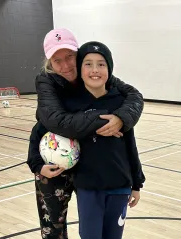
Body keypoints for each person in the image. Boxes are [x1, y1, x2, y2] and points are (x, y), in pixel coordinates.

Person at [27, 28, 144, 239]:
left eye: (70, 57)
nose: (65, 65)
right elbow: (44, 125)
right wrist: (37, 164)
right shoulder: (48, 83)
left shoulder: (95, 75)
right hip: (56, 165)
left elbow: (134, 96)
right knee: (53, 228)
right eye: (57, 60)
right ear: (50, 64)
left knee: (96, 227)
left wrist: (122, 118)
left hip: (89, 172)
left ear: (78, 55)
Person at [71, 41, 145, 239]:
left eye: (101, 64)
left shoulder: (121, 104)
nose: (95, 70)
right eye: (88, 63)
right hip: (88, 189)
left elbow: (131, 146)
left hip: (119, 187)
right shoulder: (71, 104)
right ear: (79, 68)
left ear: (109, 69)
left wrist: (137, 183)